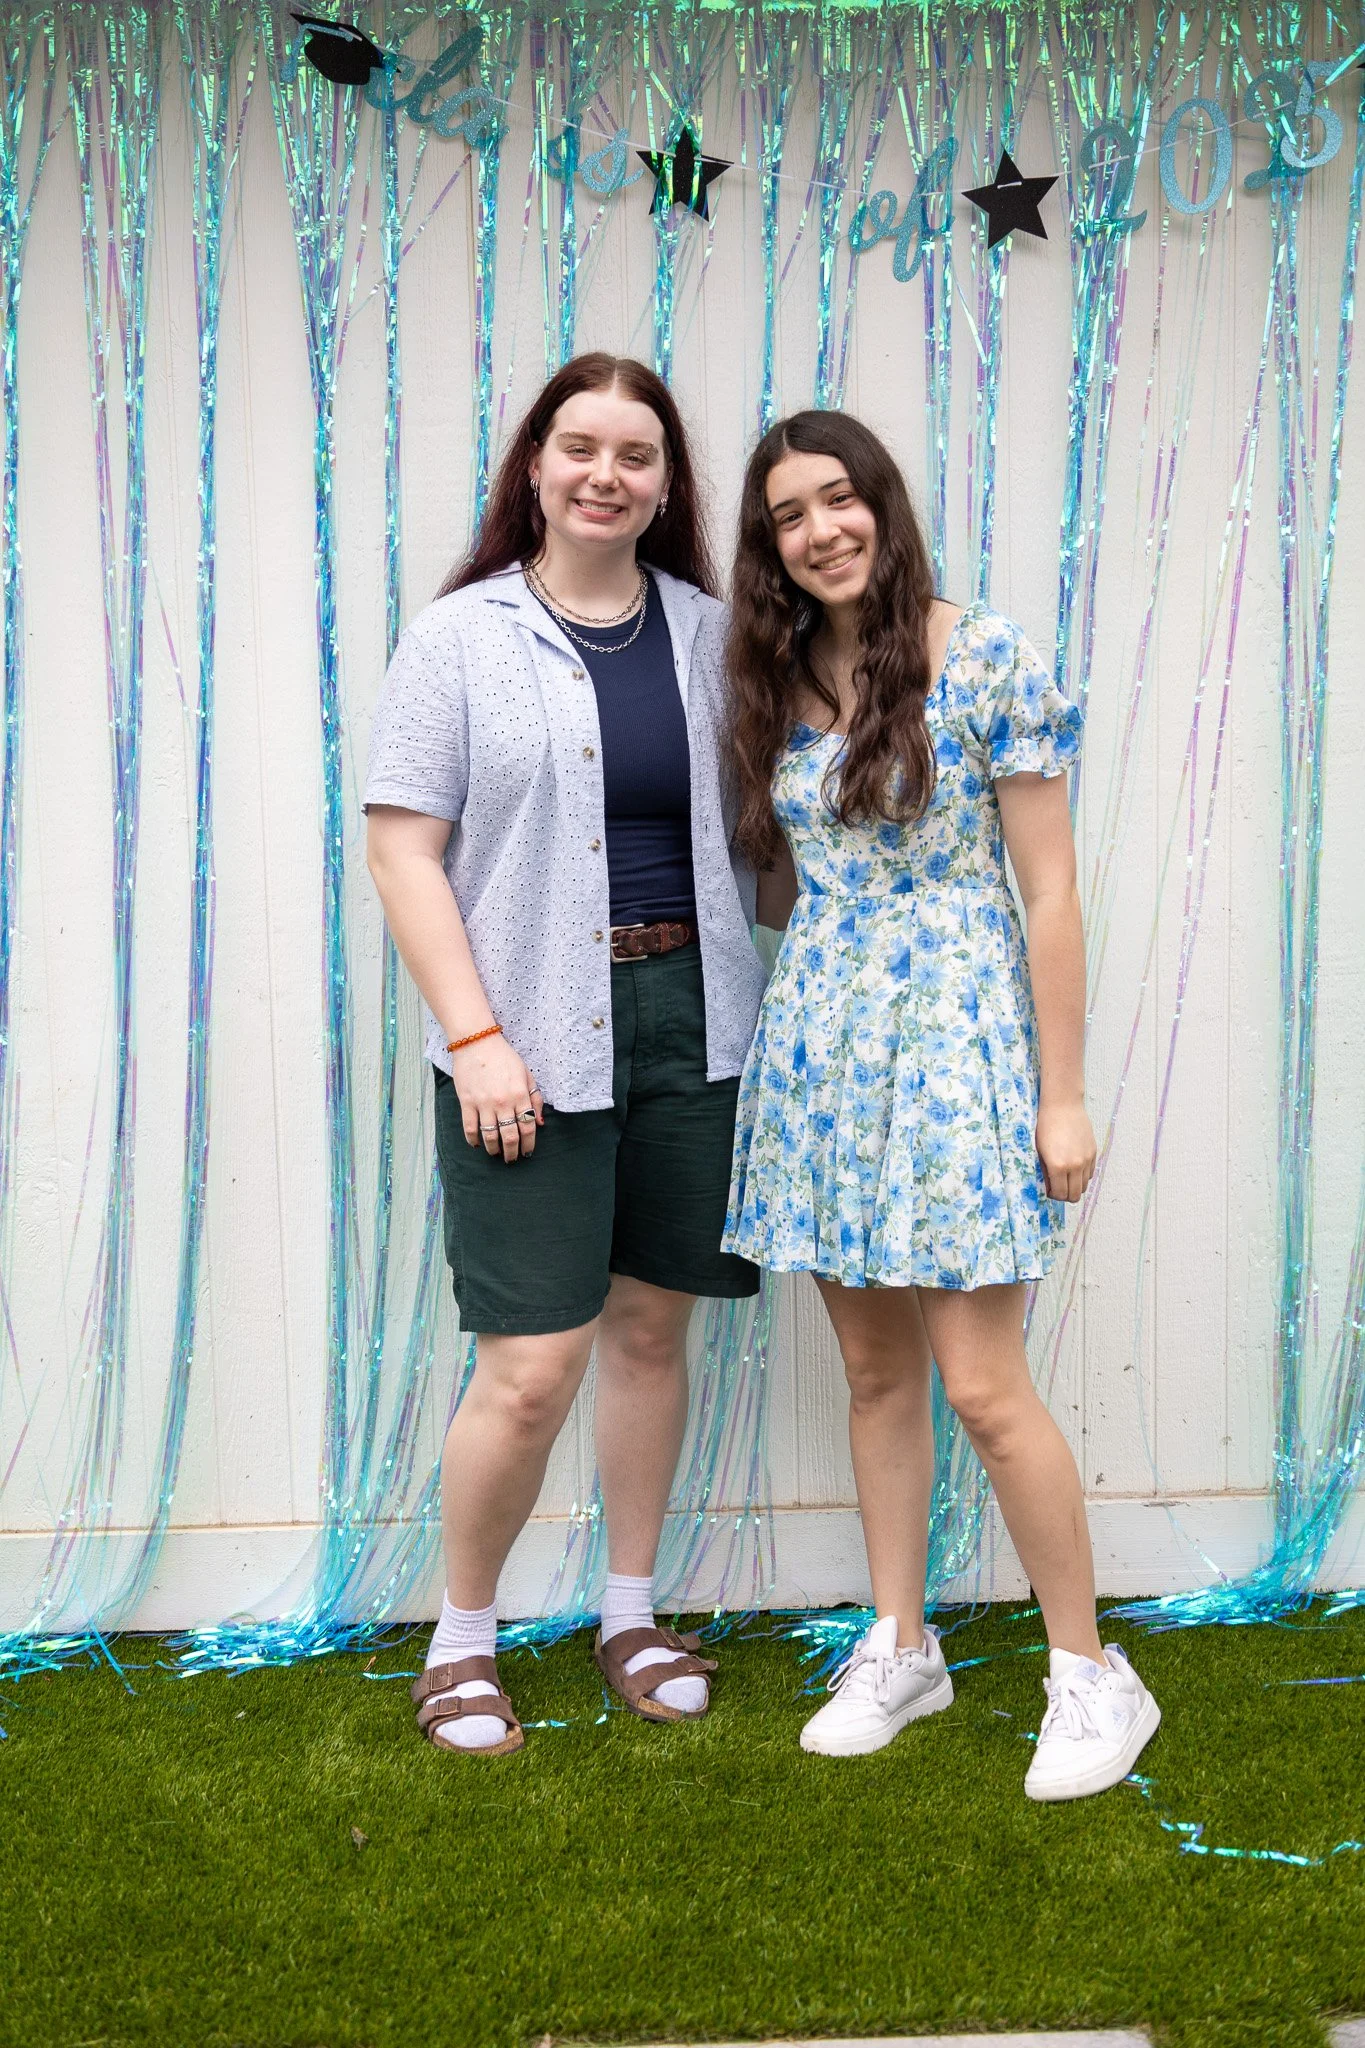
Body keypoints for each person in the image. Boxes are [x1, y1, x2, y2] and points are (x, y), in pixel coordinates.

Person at [721, 410, 1160, 1801]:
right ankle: (903, 1645)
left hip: (963, 1042)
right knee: (873, 1372)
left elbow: (1053, 892)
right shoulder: (779, 673)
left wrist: (1065, 1096)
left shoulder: (986, 654)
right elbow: (798, 880)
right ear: (771, 546)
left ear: (883, 507)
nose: (821, 529)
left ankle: (1092, 1676)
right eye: (791, 514)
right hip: (828, 1054)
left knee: (983, 1382)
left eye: (840, 500)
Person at [365, 354, 767, 1755]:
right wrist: (475, 1037)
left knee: (654, 1331)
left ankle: (630, 1611)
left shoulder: (719, 636)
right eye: (579, 445)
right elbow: (404, 849)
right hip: (524, 1031)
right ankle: (462, 1641)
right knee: (531, 1363)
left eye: (637, 455)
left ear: (666, 487)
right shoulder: (460, 639)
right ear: (535, 465)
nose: (607, 473)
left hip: (696, 1025)